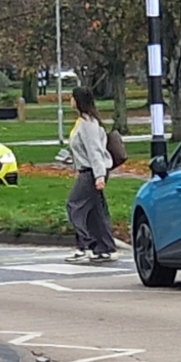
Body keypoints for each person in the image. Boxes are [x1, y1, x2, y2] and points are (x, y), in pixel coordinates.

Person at [65, 89, 117, 264]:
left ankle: (85, 245)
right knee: (95, 212)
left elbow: (95, 152)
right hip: (88, 171)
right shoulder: (83, 122)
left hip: (92, 173)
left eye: (72, 97)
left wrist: (99, 176)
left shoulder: (88, 125)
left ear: (78, 101)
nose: (69, 100)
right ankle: (104, 248)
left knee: (75, 206)